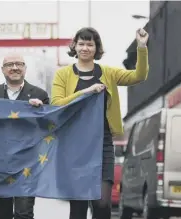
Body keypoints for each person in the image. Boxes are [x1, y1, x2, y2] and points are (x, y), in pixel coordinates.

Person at [51, 27, 149, 219]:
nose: (85, 48)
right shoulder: (63, 75)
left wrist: (141, 47)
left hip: (102, 143)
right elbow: (56, 104)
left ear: (96, 48)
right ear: (74, 46)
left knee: (102, 203)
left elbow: (139, 75)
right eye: (81, 43)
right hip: (74, 145)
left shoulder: (108, 73)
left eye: (90, 44)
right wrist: (85, 92)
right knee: (78, 208)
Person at [0, 53, 49, 219]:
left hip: (27, 165)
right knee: (1, 215)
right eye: (10, 64)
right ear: (3, 70)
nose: (15, 67)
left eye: (19, 64)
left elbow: (49, 127)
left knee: (24, 214)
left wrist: (40, 111)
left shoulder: (39, 94)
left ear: (25, 68)